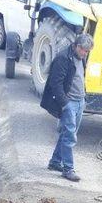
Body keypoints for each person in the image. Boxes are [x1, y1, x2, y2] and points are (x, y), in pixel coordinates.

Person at [40, 32, 94, 183]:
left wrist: (83, 97)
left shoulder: (81, 58)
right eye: (83, 50)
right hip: (69, 102)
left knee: (67, 133)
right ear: (76, 46)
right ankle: (68, 169)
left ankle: (55, 162)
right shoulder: (63, 58)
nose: (85, 54)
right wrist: (65, 104)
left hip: (79, 101)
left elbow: (79, 78)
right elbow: (55, 84)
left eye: (87, 51)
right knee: (70, 135)